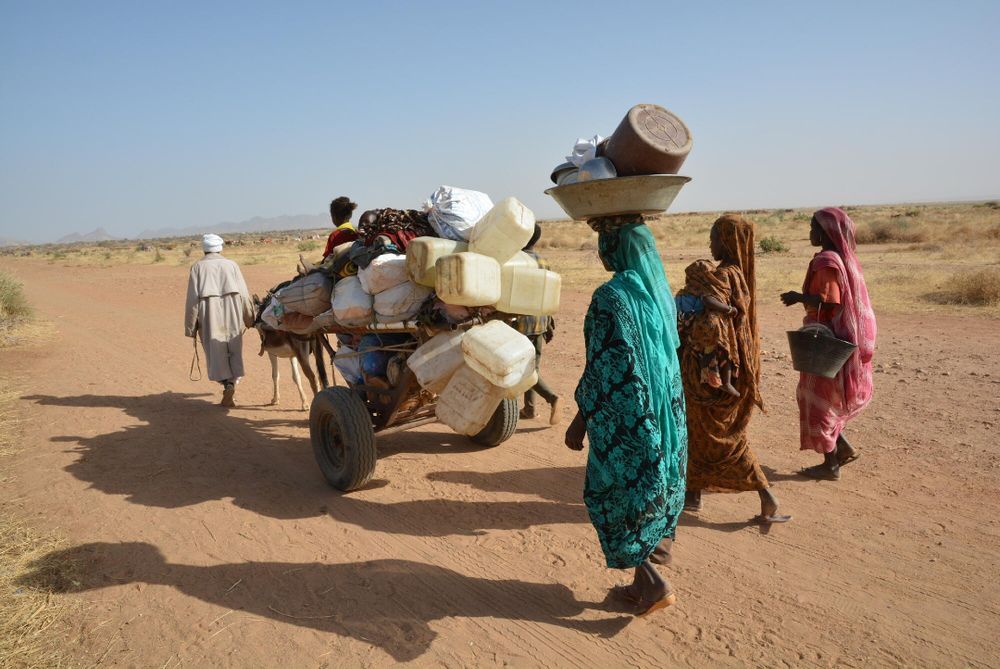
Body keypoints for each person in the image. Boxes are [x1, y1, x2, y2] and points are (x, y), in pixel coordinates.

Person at [564, 216, 687, 617]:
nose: (601, 248)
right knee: (655, 489)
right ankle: (638, 586)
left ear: (614, 247)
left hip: (629, 417)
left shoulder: (611, 296)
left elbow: (605, 366)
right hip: (667, 415)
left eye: (605, 240)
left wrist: (581, 419)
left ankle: (653, 583)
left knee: (612, 495)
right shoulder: (658, 291)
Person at [681, 215, 791, 523]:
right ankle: (693, 493)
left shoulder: (723, 276)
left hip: (711, 373)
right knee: (700, 433)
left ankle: (765, 494)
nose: (711, 244)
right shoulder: (739, 275)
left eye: (715, 238)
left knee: (721, 438)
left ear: (728, 242)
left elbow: (710, 320)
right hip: (729, 368)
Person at [781, 207, 876, 480]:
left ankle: (830, 464)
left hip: (825, 342)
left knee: (817, 399)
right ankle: (841, 448)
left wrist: (798, 297)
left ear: (825, 232)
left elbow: (829, 301)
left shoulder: (826, 261)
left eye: (813, 228)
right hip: (840, 338)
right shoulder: (845, 260)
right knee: (825, 397)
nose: (810, 232)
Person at [184, 234, 255, 408]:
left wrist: (191, 327)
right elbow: (244, 294)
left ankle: (226, 384)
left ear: (204, 249)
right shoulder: (231, 265)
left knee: (216, 352)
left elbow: (192, 300)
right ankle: (232, 383)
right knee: (233, 347)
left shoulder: (197, 267)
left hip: (209, 312)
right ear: (220, 248)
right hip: (233, 309)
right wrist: (249, 318)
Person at [515, 224, 561, 425]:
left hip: (520, 323)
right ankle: (530, 409)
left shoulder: (515, 261)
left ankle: (552, 397)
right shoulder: (543, 261)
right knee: (532, 367)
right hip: (540, 321)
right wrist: (549, 321)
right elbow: (549, 293)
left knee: (522, 369)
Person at [675, 259, 741, 398]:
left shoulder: (682, 294)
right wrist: (730, 310)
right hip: (701, 331)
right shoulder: (705, 291)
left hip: (684, 331)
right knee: (723, 347)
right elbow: (708, 301)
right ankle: (725, 382)